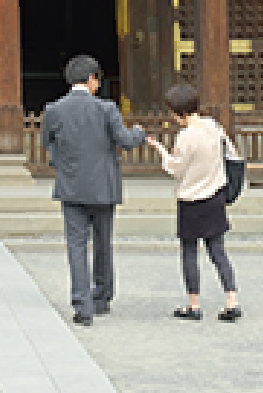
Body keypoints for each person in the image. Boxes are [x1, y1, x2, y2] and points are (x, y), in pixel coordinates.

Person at [40, 54, 146, 327]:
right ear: (91, 79)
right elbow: (124, 140)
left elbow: (48, 144)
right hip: (102, 186)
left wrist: (61, 164)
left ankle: (81, 304)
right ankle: (102, 295)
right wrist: (139, 133)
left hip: (71, 185)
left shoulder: (54, 109)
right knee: (102, 243)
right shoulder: (106, 109)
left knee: (76, 245)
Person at [148, 83, 241, 322]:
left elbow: (175, 169)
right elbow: (230, 153)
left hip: (191, 199)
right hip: (216, 194)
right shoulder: (214, 127)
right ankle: (231, 300)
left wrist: (160, 150)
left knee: (190, 251)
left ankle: (194, 304)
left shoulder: (186, 136)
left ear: (179, 112)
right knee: (218, 251)